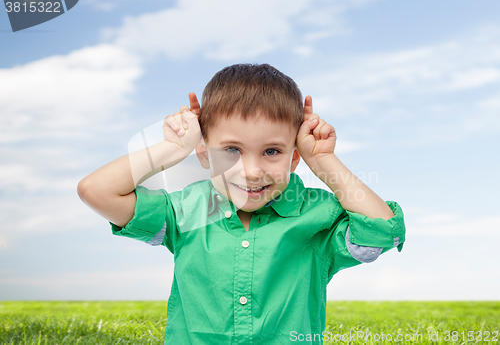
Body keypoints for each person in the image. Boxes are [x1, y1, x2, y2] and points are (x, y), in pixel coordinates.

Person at [77, 63, 406, 344]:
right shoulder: (185, 210)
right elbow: (96, 190)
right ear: (204, 152)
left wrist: (323, 161)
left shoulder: (316, 215)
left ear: (294, 158)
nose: (252, 171)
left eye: (272, 151)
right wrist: (172, 149)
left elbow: (382, 231)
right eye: (232, 150)